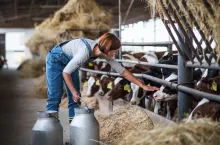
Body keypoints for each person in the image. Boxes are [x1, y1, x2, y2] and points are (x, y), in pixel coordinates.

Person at [46, 33, 159, 123]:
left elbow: (123, 71)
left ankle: (75, 133)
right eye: (114, 51)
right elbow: (66, 72)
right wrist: (73, 91)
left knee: (75, 100)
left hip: (71, 62)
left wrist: (143, 85)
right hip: (56, 59)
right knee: (55, 95)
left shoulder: (103, 52)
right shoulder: (84, 52)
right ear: (107, 48)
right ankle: (50, 131)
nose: (115, 54)